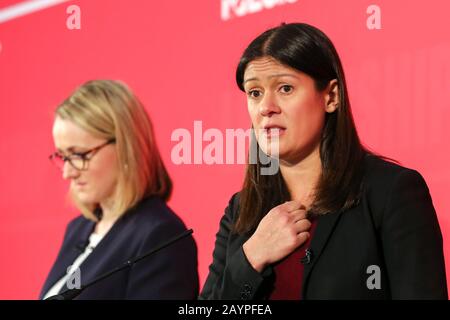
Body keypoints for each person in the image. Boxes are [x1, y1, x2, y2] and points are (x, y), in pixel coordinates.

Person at [200, 23, 447, 300]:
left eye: (285, 88)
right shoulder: (240, 210)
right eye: (255, 93)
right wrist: (250, 259)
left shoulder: (390, 192)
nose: (266, 107)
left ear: (331, 96)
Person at [40, 80, 198, 299]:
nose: (68, 173)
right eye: (63, 156)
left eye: (78, 155)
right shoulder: (78, 228)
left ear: (125, 147)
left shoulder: (160, 236)